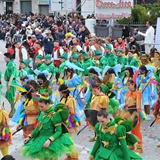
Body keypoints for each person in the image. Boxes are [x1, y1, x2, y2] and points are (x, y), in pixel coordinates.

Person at [22, 94, 76, 160]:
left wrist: (49, 140)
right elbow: (38, 128)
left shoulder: (55, 115)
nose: (40, 109)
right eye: (39, 106)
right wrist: (29, 136)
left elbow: (59, 131)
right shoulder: (42, 113)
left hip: (51, 141)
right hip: (41, 140)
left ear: (47, 104)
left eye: (42, 106)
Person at [124, 79, 143, 153]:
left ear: (133, 84)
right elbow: (126, 103)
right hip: (129, 112)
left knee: (136, 130)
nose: (128, 86)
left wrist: (137, 114)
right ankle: (131, 145)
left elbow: (138, 106)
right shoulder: (127, 92)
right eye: (127, 85)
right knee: (131, 130)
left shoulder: (138, 93)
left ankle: (139, 147)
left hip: (135, 112)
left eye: (129, 85)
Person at [4, 52, 18, 117]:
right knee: (8, 96)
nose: (4, 58)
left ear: (8, 58)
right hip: (9, 81)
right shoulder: (9, 64)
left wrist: (9, 84)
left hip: (12, 82)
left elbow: (12, 75)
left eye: (5, 57)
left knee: (11, 97)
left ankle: (13, 111)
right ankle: (13, 110)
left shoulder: (11, 65)